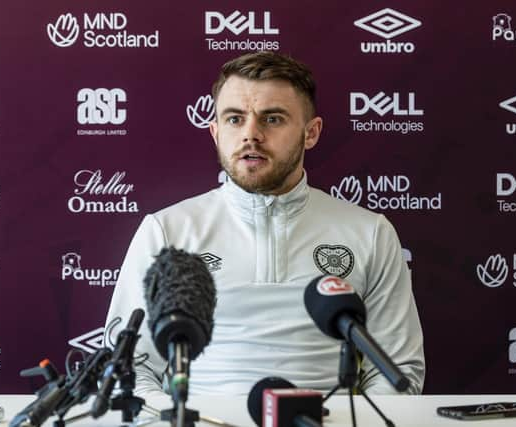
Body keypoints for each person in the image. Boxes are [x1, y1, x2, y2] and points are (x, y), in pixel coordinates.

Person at [104, 51, 425, 397]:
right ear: (214, 131)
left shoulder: (370, 232)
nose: (250, 134)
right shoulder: (166, 231)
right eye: (234, 119)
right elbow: (130, 366)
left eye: (272, 119)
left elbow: (397, 369)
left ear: (311, 132)